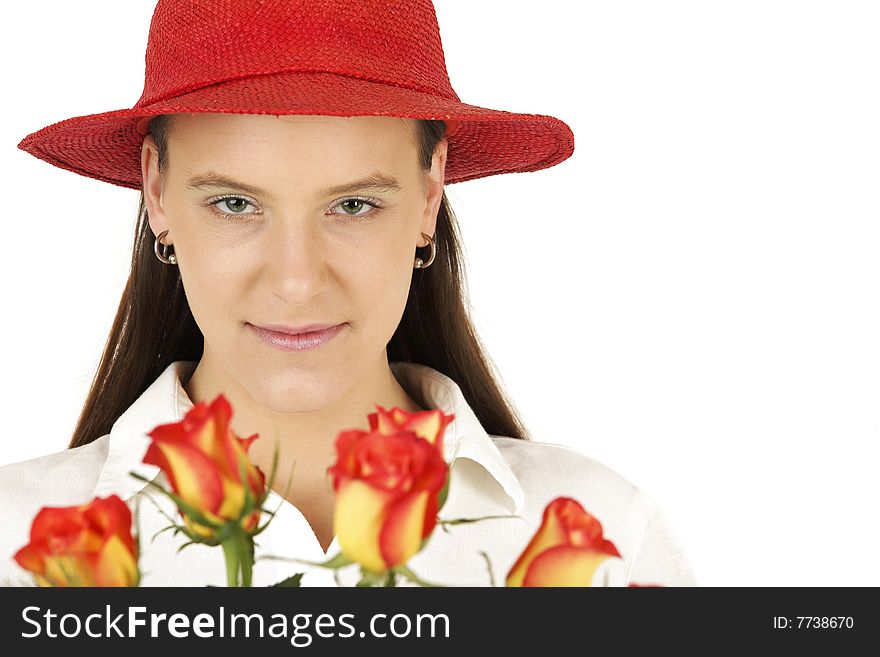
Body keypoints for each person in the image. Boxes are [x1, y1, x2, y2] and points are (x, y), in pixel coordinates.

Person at [0, 0, 697, 586]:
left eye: (355, 205)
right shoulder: (13, 544)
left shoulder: (605, 537)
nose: (297, 280)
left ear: (429, 196)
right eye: (236, 204)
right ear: (157, 192)